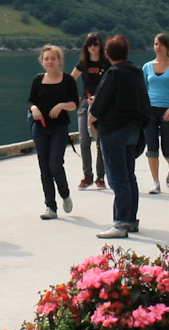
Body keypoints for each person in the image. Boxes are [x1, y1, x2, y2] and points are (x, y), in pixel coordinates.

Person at [88, 36, 148, 239]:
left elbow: (101, 102)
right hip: (133, 130)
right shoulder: (136, 72)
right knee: (129, 176)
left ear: (107, 54)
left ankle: (120, 222)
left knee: (117, 178)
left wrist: (92, 117)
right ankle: (130, 219)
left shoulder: (113, 74)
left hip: (114, 131)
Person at [28, 45, 78, 220]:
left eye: (53, 58)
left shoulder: (68, 81)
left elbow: (74, 104)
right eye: (46, 59)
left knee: (55, 165)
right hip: (40, 128)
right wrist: (34, 108)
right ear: (42, 62)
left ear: (59, 61)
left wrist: (61, 105)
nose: (50, 62)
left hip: (59, 128)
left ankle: (64, 194)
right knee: (44, 168)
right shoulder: (38, 80)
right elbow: (30, 100)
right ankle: (50, 206)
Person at [142, 34, 169, 194]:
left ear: (167, 46)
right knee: (152, 146)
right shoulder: (147, 67)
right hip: (150, 110)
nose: (157, 47)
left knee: (167, 147)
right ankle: (155, 182)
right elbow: (143, 90)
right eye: (155, 44)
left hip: (167, 109)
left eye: (160, 44)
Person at [69, 34, 109, 190]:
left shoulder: (106, 64)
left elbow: (111, 82)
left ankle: (100, 177)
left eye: (96, 44)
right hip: (85, 103)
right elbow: (70, 80)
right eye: (90, 44)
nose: (93, 47)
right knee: (84, 140)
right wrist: (74, 97)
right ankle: (87, 175)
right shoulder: (83, 63)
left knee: (100, 142)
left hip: (101, 105)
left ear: (100, 45)